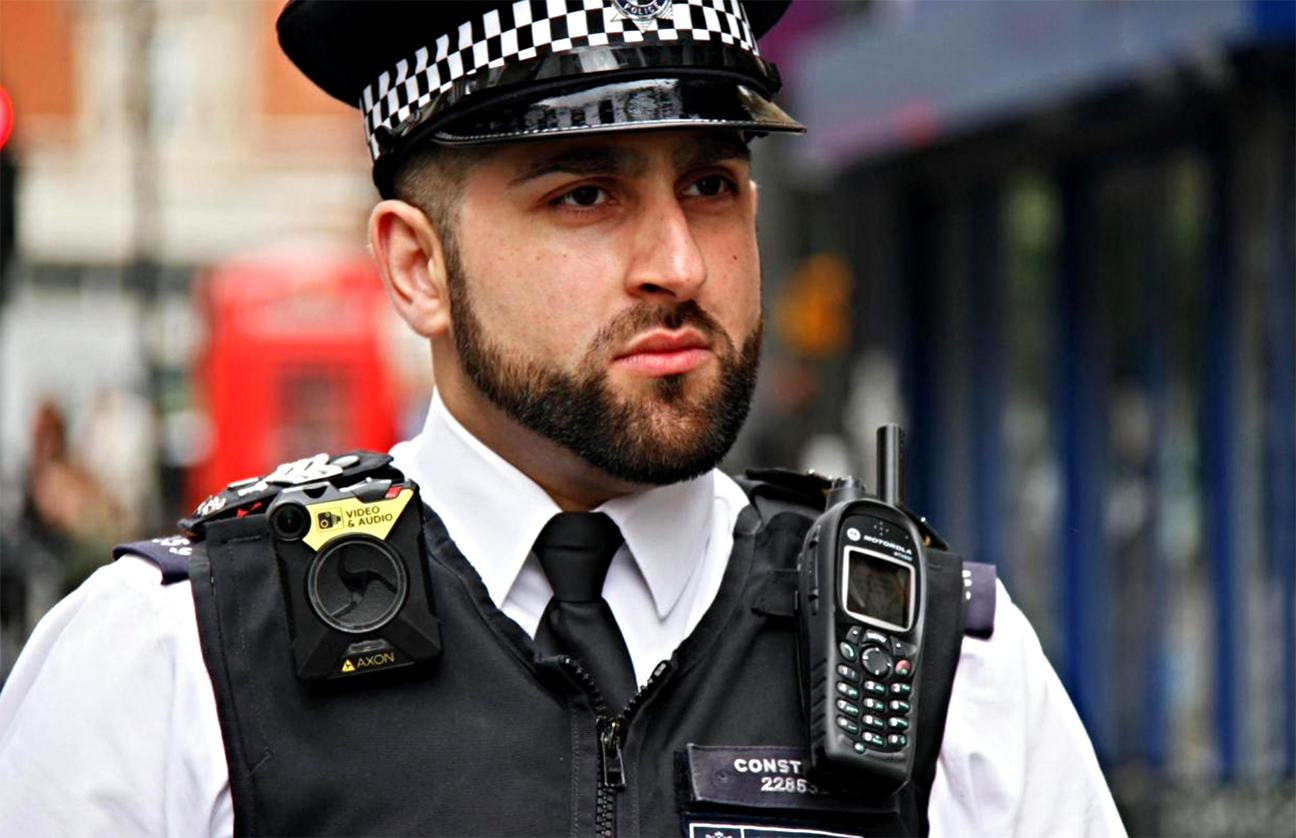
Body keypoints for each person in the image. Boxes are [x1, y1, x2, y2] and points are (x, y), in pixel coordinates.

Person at [0, 0, 1127, 835]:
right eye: (584, 194)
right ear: (417, 269)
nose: (679, 263)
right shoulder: (176, 668)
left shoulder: (954, 673)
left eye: (712, 183)